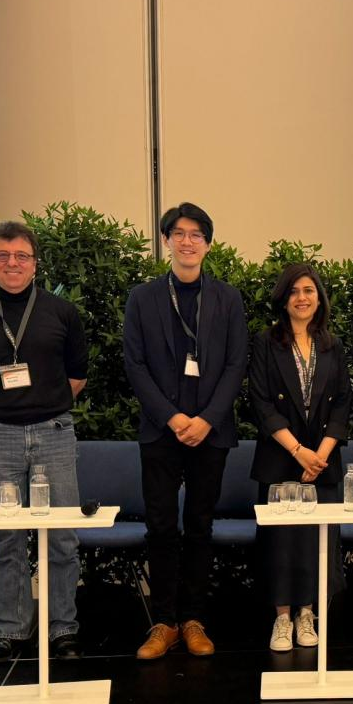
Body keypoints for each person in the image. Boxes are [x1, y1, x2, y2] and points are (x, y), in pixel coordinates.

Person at [0, 220, 89, 663]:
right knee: (6, 537)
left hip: (53, 433)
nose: (13, 263)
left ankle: (62, 629)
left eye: (21, 256)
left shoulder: (61, 312)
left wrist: (42, 407)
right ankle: (11, 631)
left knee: (62, 536)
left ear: (35, 264)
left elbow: (78, 375)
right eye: (3, 255)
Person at [124, 202, 248, 659]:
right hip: (162, 432)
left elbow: (236, 364)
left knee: (200, 526)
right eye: (179, 233)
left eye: (197, 234)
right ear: (166, 240)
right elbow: (135, 365)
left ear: (208, 244)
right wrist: (173, 418)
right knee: (160, 526)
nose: (188, 241)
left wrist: (207, 419)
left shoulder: (228, 299)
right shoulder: (143, 298)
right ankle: (163, 622)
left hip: (210, 432)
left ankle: (193, 619)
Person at [248, 263, 351, 651]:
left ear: (319, 298)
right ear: (283, 299)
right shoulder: (266, 342)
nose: (302, 298)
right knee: (280, 542)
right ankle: (281, 618)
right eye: (294, 291)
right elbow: (261, 403)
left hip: (321, 463)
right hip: (280, 458)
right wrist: (298, 451)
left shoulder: (332, 345)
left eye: (309, 290)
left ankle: (307, 614)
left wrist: (319, 455)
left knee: (314, 542)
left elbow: (342, 403)